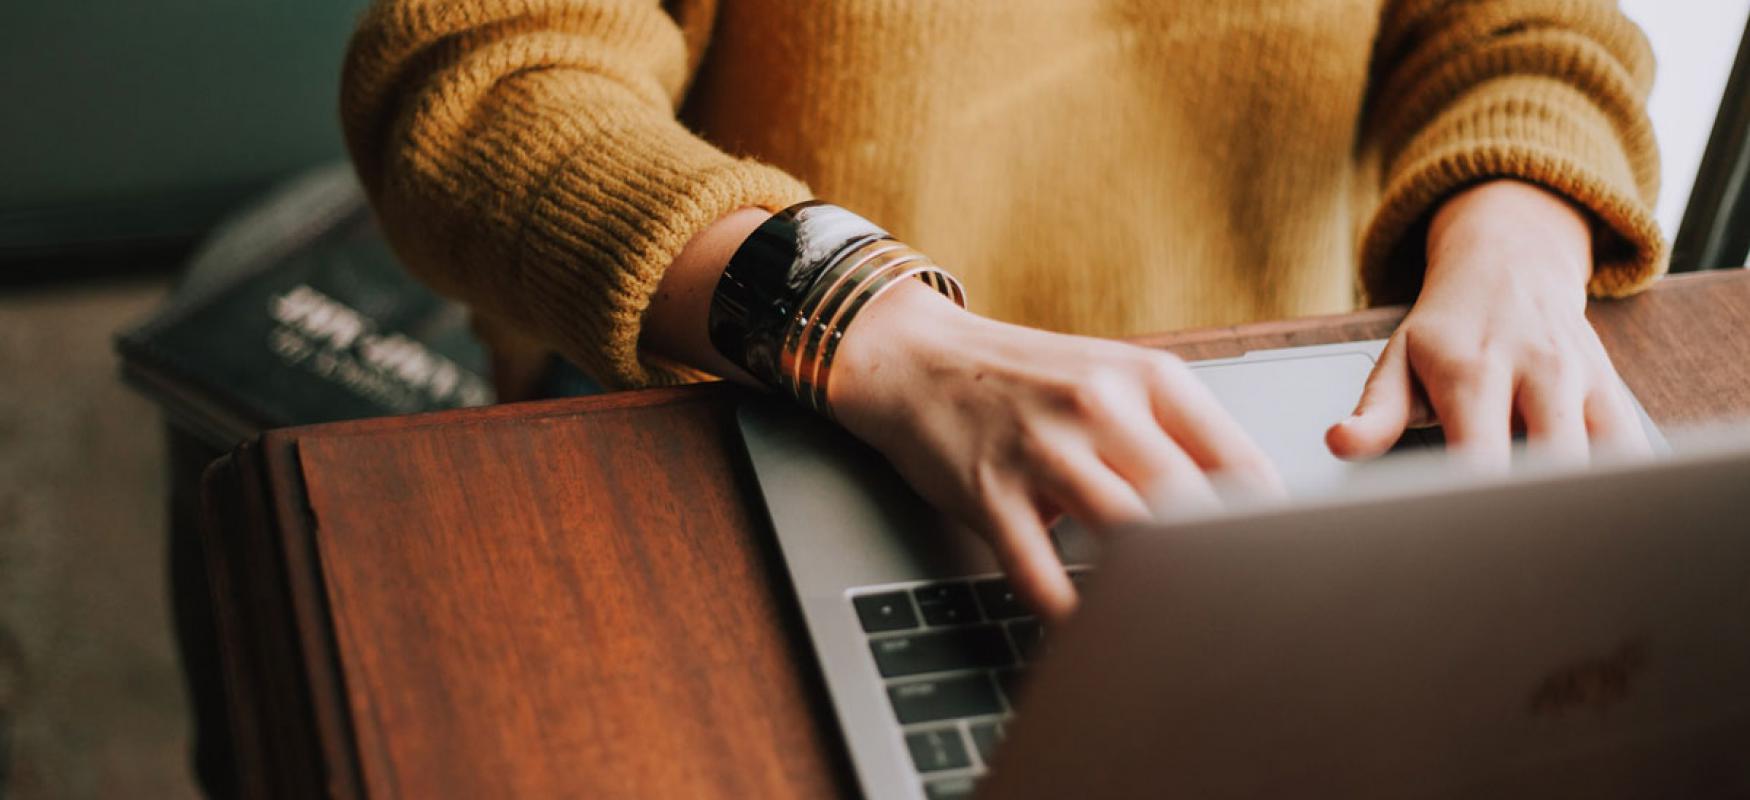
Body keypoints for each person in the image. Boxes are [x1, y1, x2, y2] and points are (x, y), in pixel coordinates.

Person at [341, 0, 1663, 618]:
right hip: (769, 415)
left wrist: (1515, 236)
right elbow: (477, 75)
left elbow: (1527, 26)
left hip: (1263, 445)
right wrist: (873, 325)